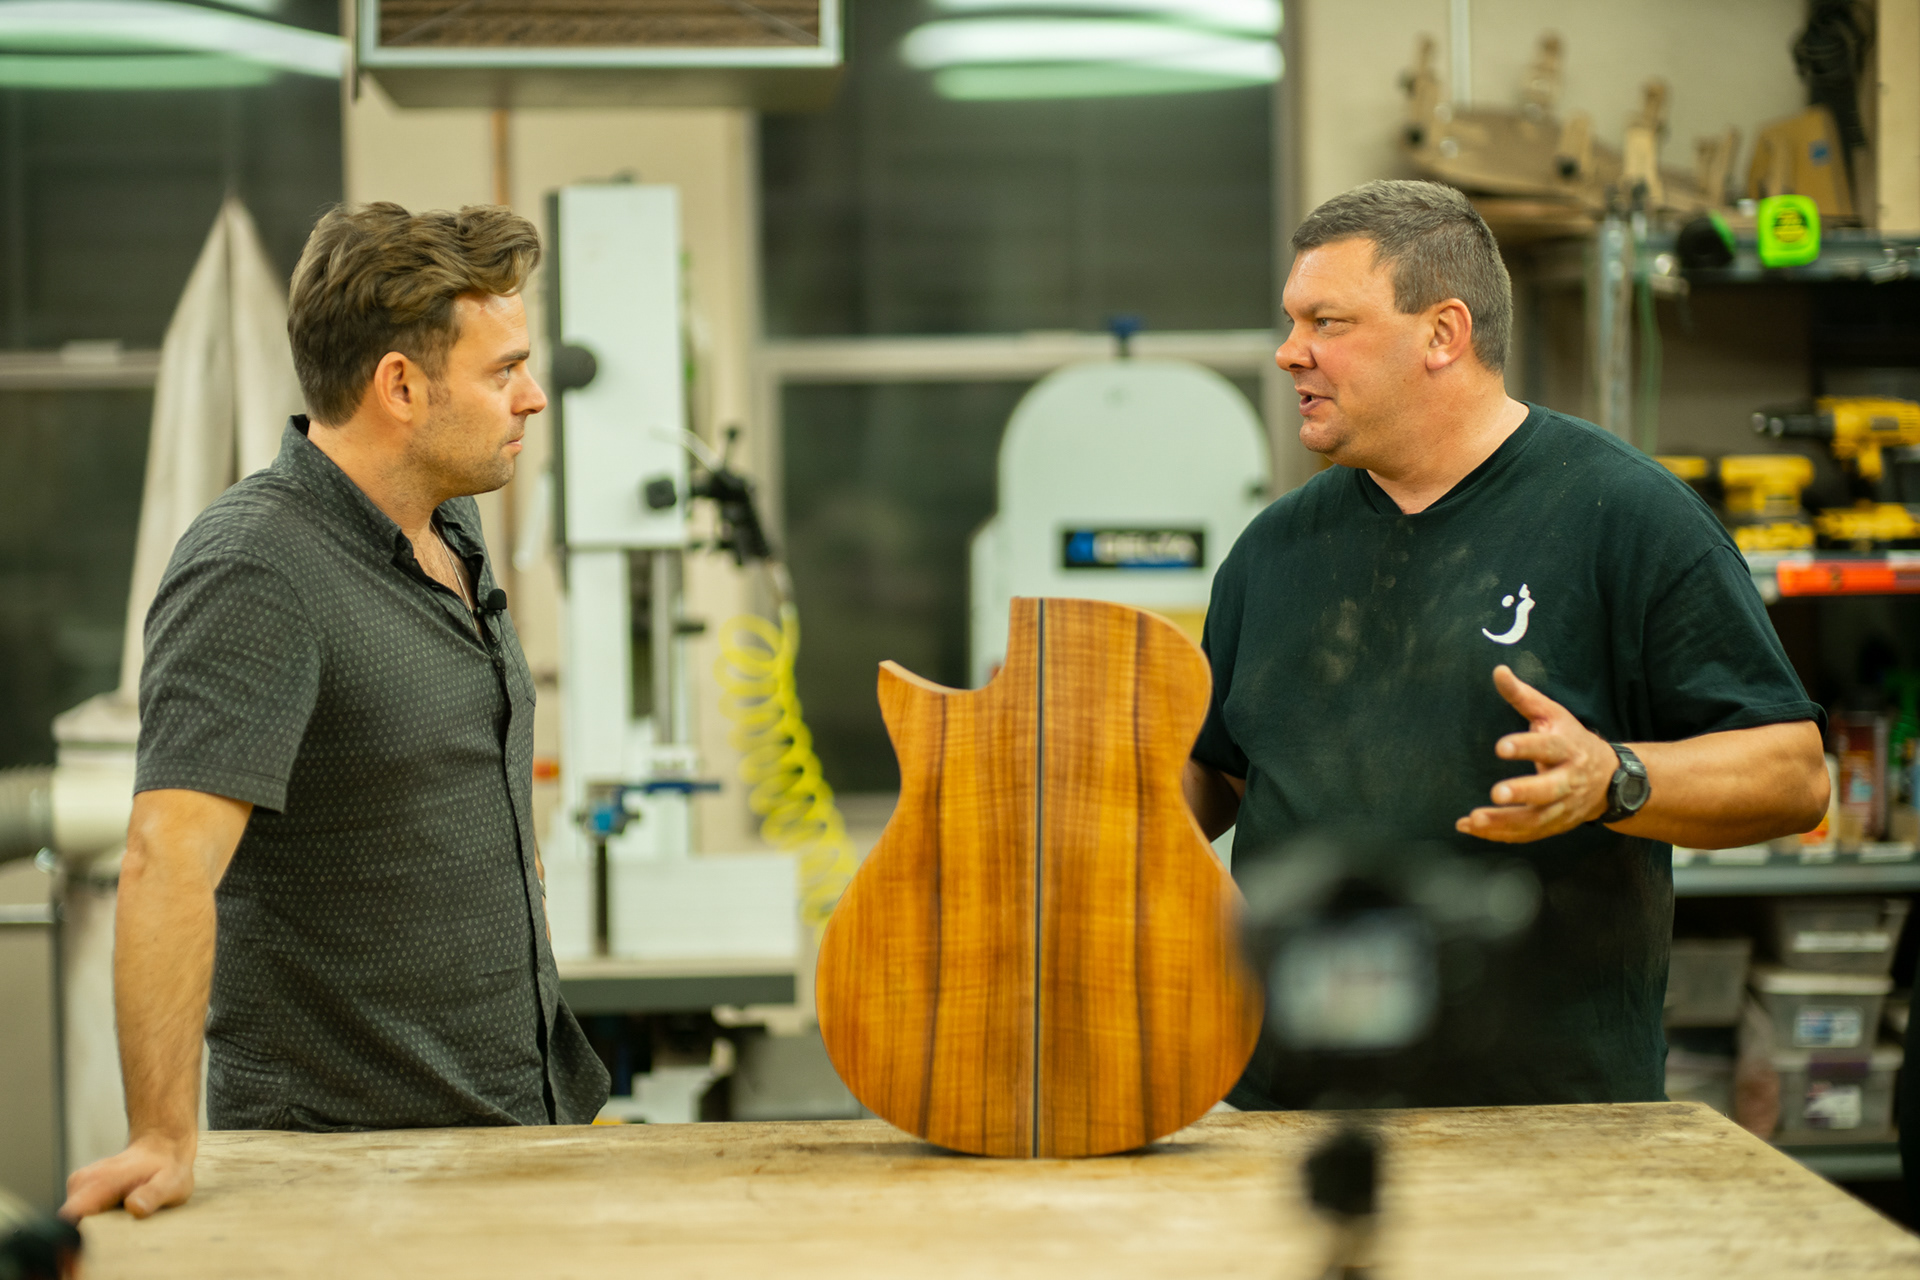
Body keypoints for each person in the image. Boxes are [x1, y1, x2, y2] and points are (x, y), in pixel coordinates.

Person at [1185, 179, 1828, 1108]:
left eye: (1327, 322)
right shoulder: (1272, 549)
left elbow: (1795, 775)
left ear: (1443, 334)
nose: (1291, 352)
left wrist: (1614, 778)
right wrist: (1077, 810)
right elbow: (1220, 772)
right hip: (1294, 1107)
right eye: (1292, 321)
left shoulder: (1626, 517)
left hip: (1544, 1117)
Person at [62, 203, 610, 1221]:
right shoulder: (256, 568)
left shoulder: (448, 525)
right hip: (350, 1178)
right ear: (400, 385)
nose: (533, 397)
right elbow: (165, 859)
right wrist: (160, 1133)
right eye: (504, 370)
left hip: (509, 1134)